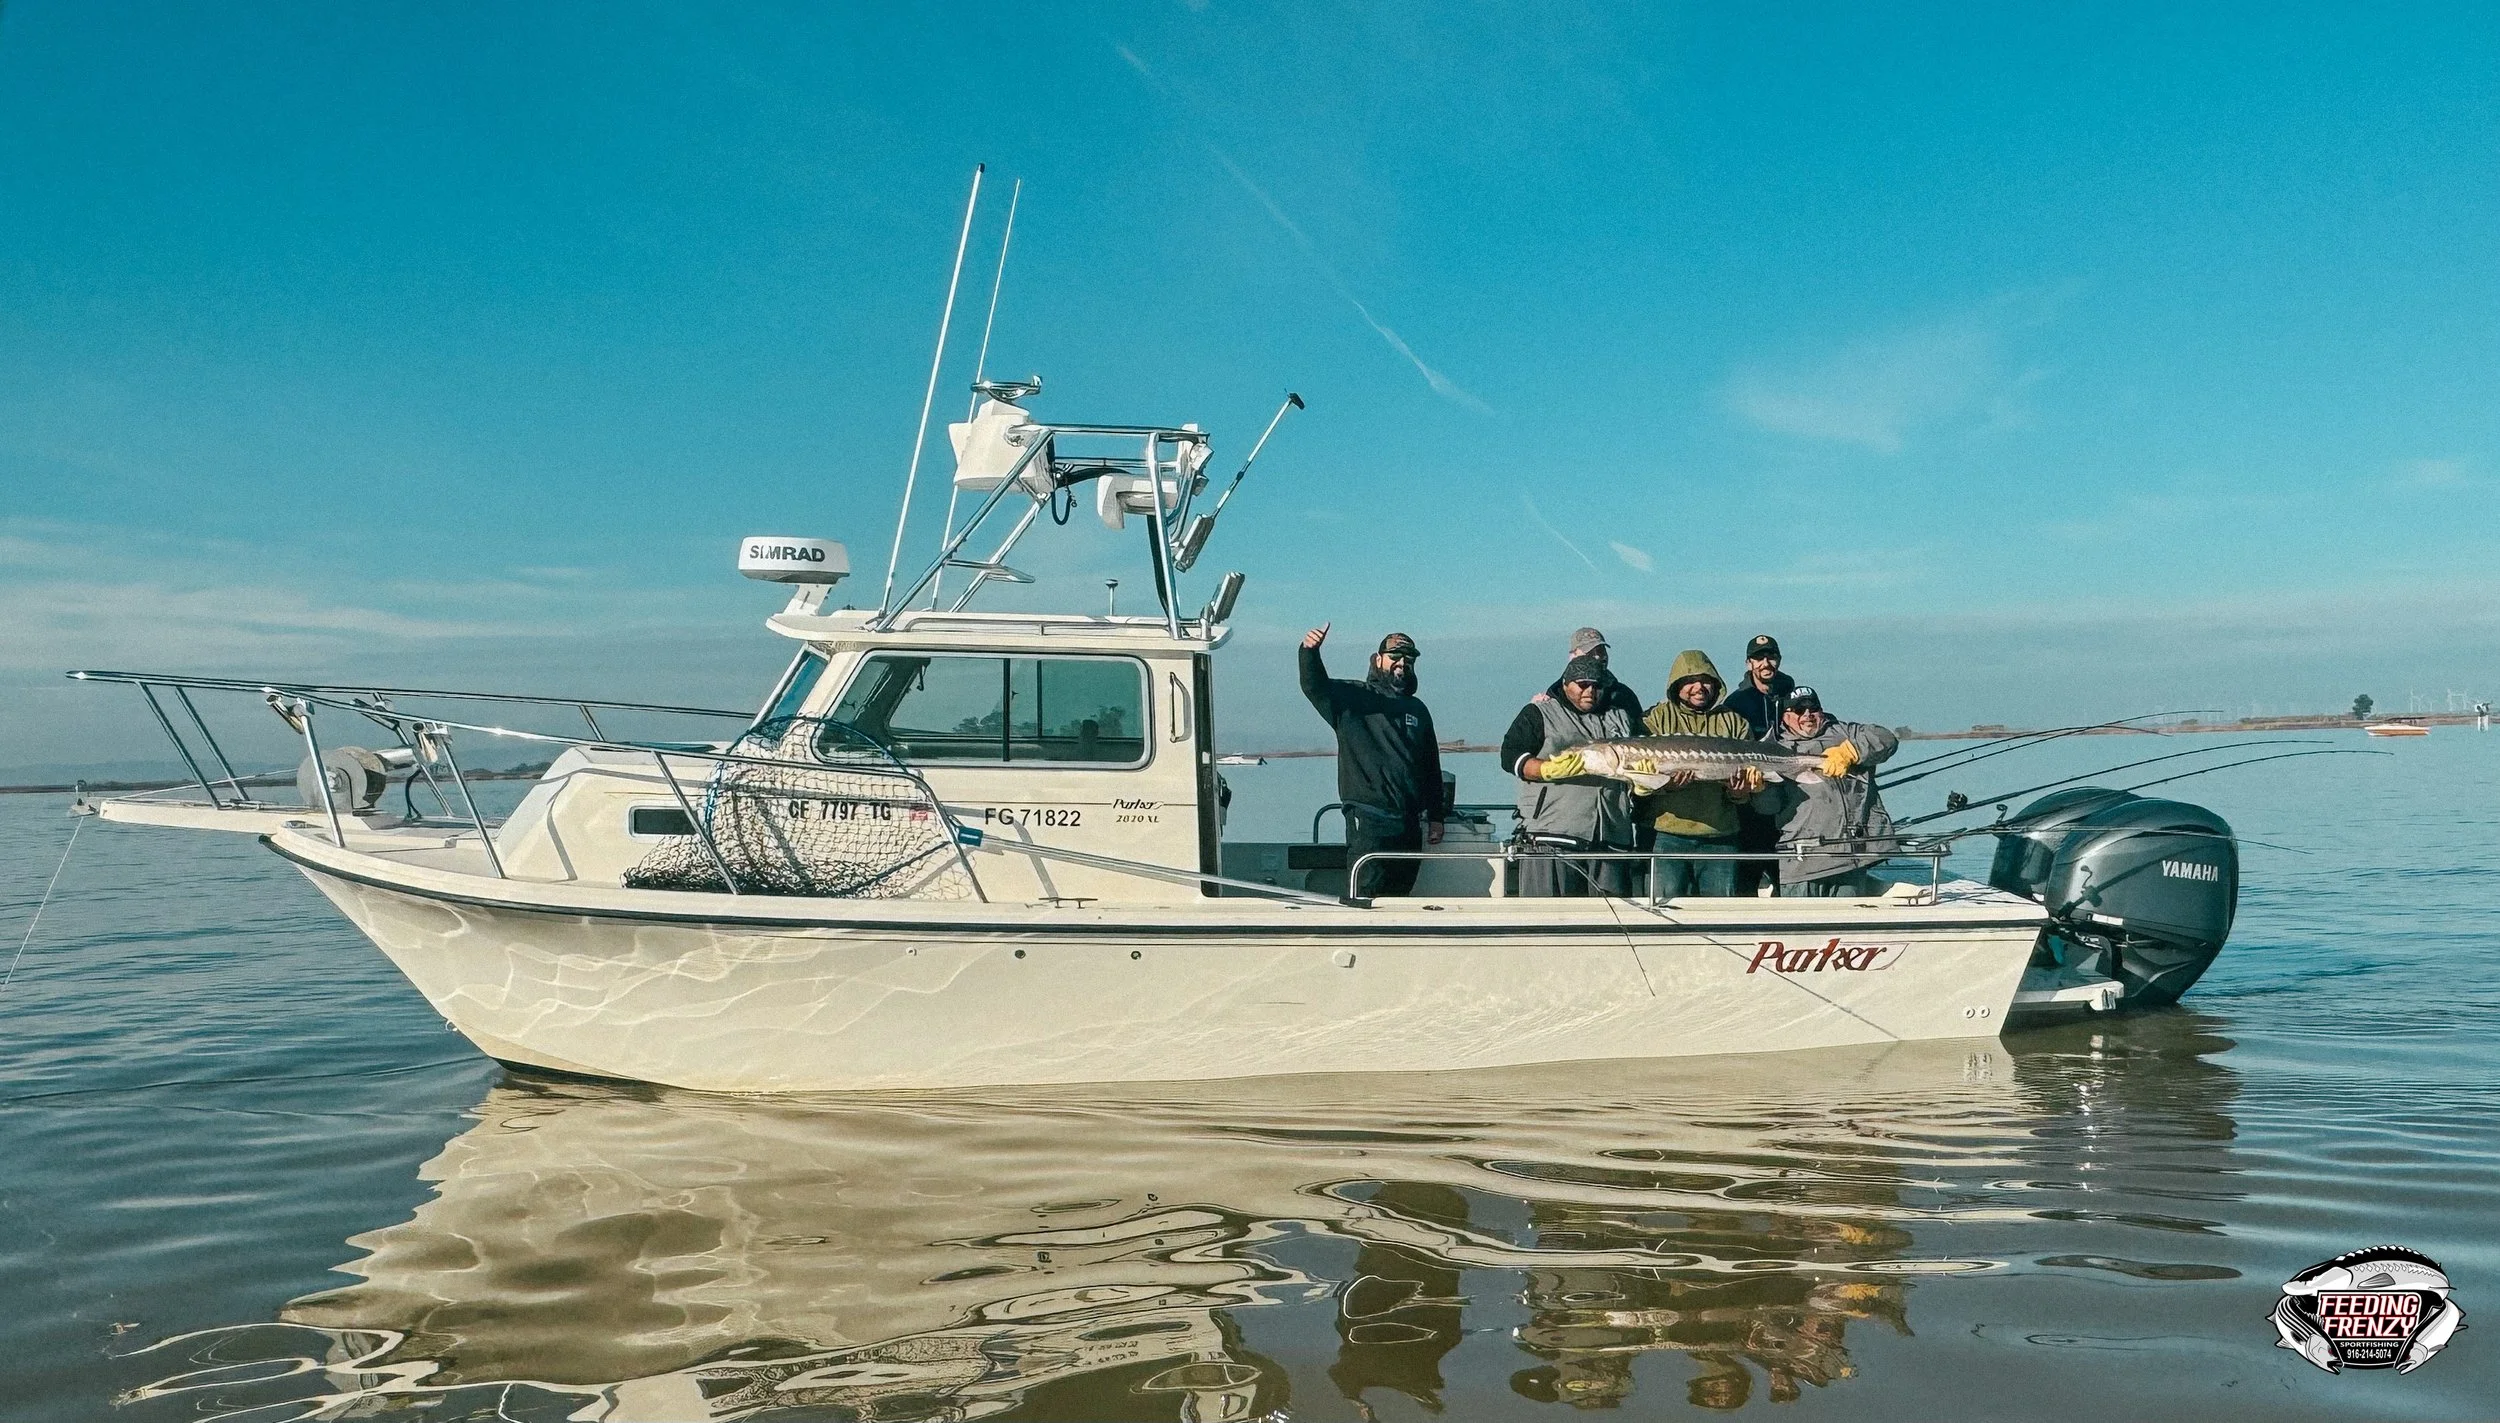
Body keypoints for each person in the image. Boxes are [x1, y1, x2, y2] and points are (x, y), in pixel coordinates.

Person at [1299, 625, 1447, 897]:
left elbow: (1430, 766)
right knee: (1366, 893)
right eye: (1394, 657)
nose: (1401, 664)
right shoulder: (1353, 699)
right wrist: (1309, 652)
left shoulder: (1418, 709)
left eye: (1408, 660)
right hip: (1369, 820)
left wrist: (1436, 816)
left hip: (1409, 824)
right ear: (1378, 659)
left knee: (1400, 899)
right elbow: (1314, 686)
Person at [1502, 652, 1641, 896]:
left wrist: (1643, 781)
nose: (1590, 691)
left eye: (1597, 686)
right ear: (1566, 684)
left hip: (1610, 837)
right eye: (1583, 685)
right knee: (1550, 919)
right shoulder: (1540, 712)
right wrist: (1544, 770)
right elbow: (1510, 755)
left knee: (1609, 926)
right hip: (1552, 836)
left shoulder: (1620, 716)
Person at [1750, 687, 1901, 897]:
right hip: (1802, 863)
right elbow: (1769, 808)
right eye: (1798, 710)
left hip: (1849, 859)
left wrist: (1850, 752)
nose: (1807, 715)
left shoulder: (1844, 732)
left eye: (1813, 708)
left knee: (1846, 927)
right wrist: (1759, 789)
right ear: (1786, 717)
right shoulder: (1777, 749)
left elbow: (1886, 739)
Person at [1638, 650, 1759, 898]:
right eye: (1690, 680)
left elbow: (1749, 786)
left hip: (1721, 836)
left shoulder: (1734, 722)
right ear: (1677, 684)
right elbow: (1638, 773)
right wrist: (1664, 786)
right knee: (1665, 909)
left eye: (1706, 680)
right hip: (1668, 834)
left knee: (1718, 915)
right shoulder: (1656, 719)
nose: (1699, 687)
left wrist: (1740, 793)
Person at [1720, 634, 1795, 895]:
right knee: (1747, 880)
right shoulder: (1735, 703)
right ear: (1748, 662)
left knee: (1787, 880)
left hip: (1791, 805)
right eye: (1759, 658)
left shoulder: (1792, 695)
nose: (1766, 662)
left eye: (1771, 656)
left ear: (1779, 660)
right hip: (1751, 807)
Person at [1566, 626, 1648, 721]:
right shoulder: (1553, 700)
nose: (1597, 657)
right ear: (1572, 657)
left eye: (1601, 651)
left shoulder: (1623, 695)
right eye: (1589, 653)